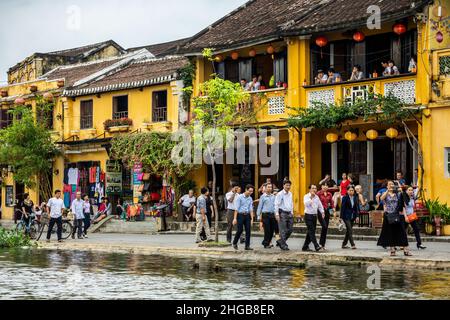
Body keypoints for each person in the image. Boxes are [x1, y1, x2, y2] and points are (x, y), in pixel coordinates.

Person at [377, 181, 412, 256]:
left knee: (402, 233)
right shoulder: (386, 194)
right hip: (389, 216)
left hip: (398, 215)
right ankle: (392, 250)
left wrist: (405, 216)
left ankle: (406, 250)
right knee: (390, 233)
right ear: (387, 186)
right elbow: (381, 198)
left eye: (392, 184)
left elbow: (403, 205)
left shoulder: (398, 194)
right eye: (389, 184)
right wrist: (388, 190)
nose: (391, 185)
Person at [302, 185, 325, 252]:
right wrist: (311, 198)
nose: (314, 189)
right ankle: (316, 245)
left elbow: (320, 206)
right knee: (311, 231)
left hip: (314, 216)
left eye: (315, 188)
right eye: (313, 188)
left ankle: (305, 246)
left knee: (310, 232)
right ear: (309, 189)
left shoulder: (317, 197)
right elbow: (306, 204)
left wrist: (322, 212)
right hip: (308, 216)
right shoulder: (306, 196)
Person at [232, 184, 254, 250]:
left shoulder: (250, 198)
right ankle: (234, 242)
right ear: (246, 190)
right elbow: (236, 208)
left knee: (248, 230)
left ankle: (247, 246)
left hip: (247, 215)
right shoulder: (240, 197)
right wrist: (235, 218)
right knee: (240, 230)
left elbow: (251, 209)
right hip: (240, 215)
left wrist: (252, 219)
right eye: (249, 191)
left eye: (252, 191)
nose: (250, 193)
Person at [275, 180, 294, 251]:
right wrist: (277, 214)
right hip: (282, 213)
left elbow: (291, 203)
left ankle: (280, 241)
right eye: (287, 185)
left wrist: (292, 212)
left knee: (290, 229)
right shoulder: (280, 194)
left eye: (289, 185)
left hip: (289, 213)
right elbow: (276, 204)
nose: (288, 187)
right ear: (283, 185)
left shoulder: (290, 194)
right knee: (282, 230)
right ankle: (284, 245)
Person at [257, 183, 276, 248]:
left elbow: (275, 206)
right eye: (268, 187)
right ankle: (266, 244)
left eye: (271, 187)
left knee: (272, 230)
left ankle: (265, 241)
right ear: (265, 188)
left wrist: (276, 214)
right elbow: (260, 206)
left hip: (272, 215)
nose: (270, 188)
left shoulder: (273, 196)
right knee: (267, 230)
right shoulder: (263, 196)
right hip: (265, 215)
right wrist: (258, 216)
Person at [340, 185, 359, 249]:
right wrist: (341, 217)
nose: (351, 191)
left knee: (348, 231)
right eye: (350, 190)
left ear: (354, 191)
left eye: (352, 190)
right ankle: (352, 244)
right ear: (347, 191)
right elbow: (342, 208)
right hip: (346, 216)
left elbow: (356, 208)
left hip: (352, 216)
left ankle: (344, 244)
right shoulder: (344, 198)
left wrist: (357, 216)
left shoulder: (355, 198)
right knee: (350, 230)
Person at [317, 183, 334, 249]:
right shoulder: (318, 193)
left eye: (327, 185)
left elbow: (331, 202)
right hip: (320, 212)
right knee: (324, 226)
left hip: (327, 212)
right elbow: (316, 202)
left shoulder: (329, 194)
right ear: (321, 186)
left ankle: (322, 244)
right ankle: (320, 243)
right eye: (324, 185)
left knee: (326, 228)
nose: (325, 187)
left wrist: (333, 208)